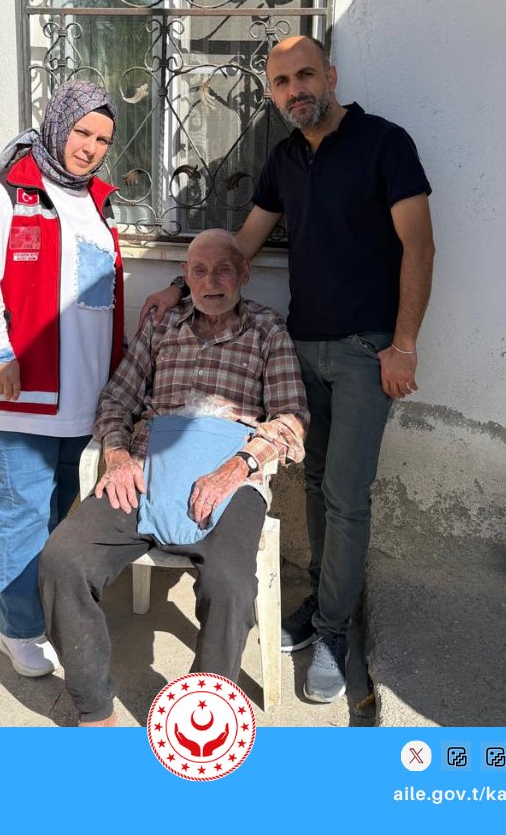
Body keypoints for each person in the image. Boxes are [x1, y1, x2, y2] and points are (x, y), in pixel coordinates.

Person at [140, 35, 434, 704]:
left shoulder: (385, 144)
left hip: (367, 352)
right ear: (272, 93)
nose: (294, 90)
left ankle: (333, 630)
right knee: (317, 482)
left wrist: (404, 344)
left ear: (330, 75)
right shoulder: (284, 158)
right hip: (303, 346)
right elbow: (242, 245)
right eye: (281, 82)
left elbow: (419, 246)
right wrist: (179, 289)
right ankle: (323, 606)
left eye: (305, 75)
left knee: (347, 496)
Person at [40, 229, 308, 726]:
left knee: (230, 585)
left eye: (223, 270)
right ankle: (94, 709)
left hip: (229, 475)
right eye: (199, 271)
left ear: (244, 274)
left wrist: (235, 469)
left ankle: (203, 709)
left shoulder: (267, 330)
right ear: (185, 276)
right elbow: (117, 399)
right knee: (64, 558)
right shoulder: (162, 325)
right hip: (146, 465)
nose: (211, 282)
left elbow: (291, 418)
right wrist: (117, 454)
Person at [0, 80, 124, 678]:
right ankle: (19, 631)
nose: (90, 148)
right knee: (23, 510)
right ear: (57, 125)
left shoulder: (97, 200)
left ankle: (42, 608)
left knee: (57, 510)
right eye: (82, 132)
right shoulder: (5, 192)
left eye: (102, 139)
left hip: (80, 391)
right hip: (20, 387)